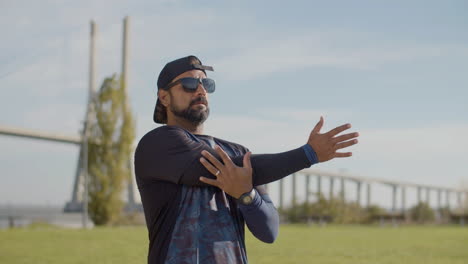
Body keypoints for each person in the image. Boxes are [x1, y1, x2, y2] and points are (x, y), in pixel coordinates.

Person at [134, 55, 359, 264]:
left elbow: (269, 231)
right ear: (164, 97)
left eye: (207, 84)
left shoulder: (238, 151)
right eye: (190, 84)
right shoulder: (158, 144)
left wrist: (246, 195)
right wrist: (308, 154)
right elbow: (224, 167)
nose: (201, 90)